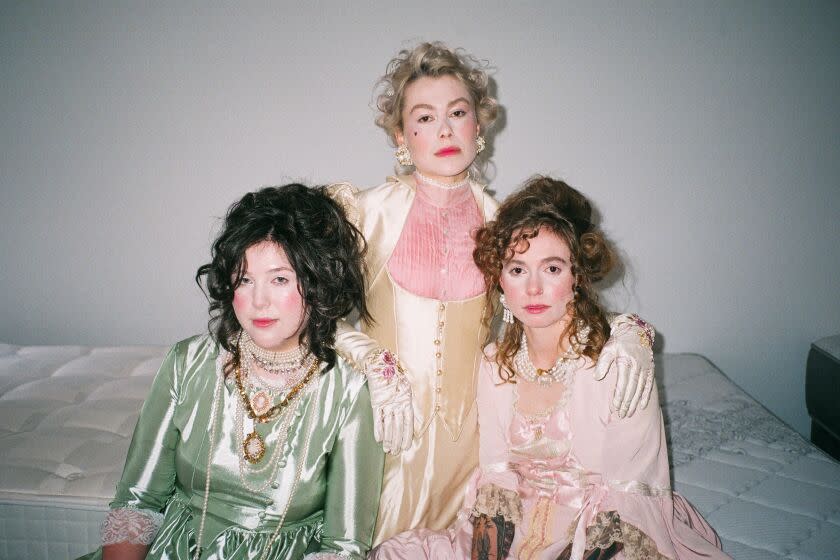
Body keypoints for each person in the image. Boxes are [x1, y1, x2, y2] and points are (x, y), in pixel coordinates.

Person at [329, 42, 656, 545]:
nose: (444, 129)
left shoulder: (506, 228)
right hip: (381, 436)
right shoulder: (361, 214)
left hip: (477, 456)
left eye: (458, 113)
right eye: (424, 117)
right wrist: (372, 360)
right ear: (401, 135)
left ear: (478, 127)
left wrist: (631, 332)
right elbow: (303, 315)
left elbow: (559, 305)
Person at [371, 176, 730, 560]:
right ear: (500, 281)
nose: (533, 288)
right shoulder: (495, 364)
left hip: (598, 533)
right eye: (518, 269)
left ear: (577, 277)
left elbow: (630, 496)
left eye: (553, 269)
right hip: (518, 532)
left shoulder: (618, 363)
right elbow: (496, 478)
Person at [78, 184, 384, 560]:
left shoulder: (350, 392)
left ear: (318, 282)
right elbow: (137, 501)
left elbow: (344, 547)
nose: (258, 301)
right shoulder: (187, 362)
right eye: (244, 279)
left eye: (280, 279)